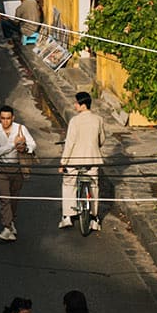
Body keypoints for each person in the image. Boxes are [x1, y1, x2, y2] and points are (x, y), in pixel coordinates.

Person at [0, 105, 36, 243]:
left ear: (13, 118)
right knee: (4, 198)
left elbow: (33, 144)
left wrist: (25, 147)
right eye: (3, 118)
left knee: (14, 197)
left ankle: (11, 222)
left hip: (17, 168)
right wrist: (13, 145)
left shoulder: (20, 128)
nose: (5, 121)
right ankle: (7, 227)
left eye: (8, 118)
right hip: (1, 168)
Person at [59, 91, 105, 230]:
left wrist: (63, 162)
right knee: (94, 186)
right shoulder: (98, 119)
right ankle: (94, 218)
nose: (74, 105)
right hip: (93, 158)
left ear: (82, 105)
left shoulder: (75, 121)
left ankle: (67, 216)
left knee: (69, 183)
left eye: (76, 103)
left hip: (75, 159)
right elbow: (101, 140)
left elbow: (70, 144)